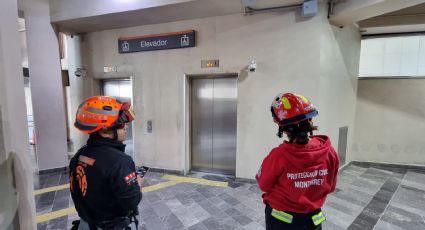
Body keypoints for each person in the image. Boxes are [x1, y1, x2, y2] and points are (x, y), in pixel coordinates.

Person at [256, 93, 339, 230]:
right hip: (313, 221)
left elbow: (264, 184)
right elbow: (330, 187)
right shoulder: (330, 151)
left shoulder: (279, 155)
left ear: (283, 127)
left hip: (281, 221)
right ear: (310, 120)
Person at [69, 96, 143, 230]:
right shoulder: (120, 161)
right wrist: (138, 183)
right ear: (104, 131)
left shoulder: (79, 156)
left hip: (85, 225)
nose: (126, 127)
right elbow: (131, 201)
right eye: (120, 125)